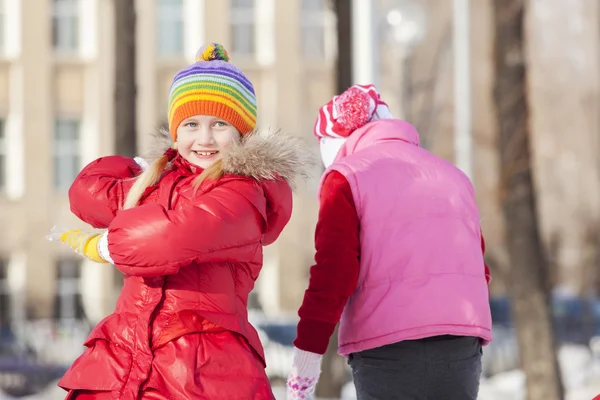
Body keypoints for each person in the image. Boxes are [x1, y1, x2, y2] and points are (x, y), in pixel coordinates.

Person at [49, 43, 311, 400]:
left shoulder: (244, 194)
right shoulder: (160, 182)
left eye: (219, 124)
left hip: (198, 368)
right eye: (191, 124)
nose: (204, 139)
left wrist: (104, 244)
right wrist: (142, 169)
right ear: (175, 131)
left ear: (242, 133)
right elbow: (87, 193)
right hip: (128, 356)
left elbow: (167, 238)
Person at [286, 84, 492, 400]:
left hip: (386, 350)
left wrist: (307, 357)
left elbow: (333, 274)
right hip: (459, 344)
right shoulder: (454, 176)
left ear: (332, 145)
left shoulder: (346, 177)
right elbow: (479, 267)